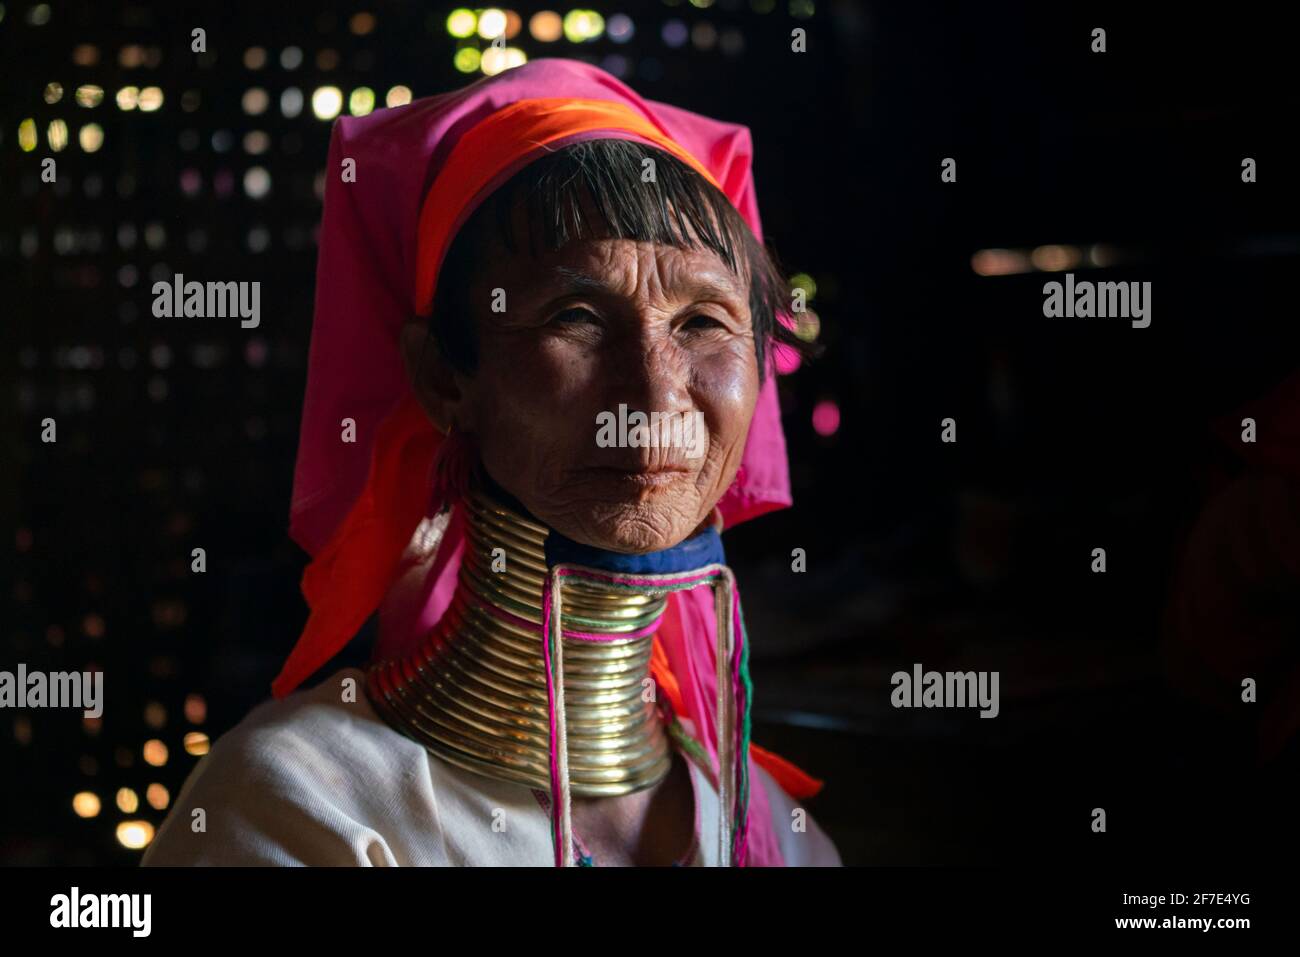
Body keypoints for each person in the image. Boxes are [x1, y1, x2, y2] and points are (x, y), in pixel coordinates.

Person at [143, 58, 840, 867]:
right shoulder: (301, 810)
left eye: (703, 322)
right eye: (576, 316)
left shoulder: (774, 833)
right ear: (443, 374)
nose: (652, 396)